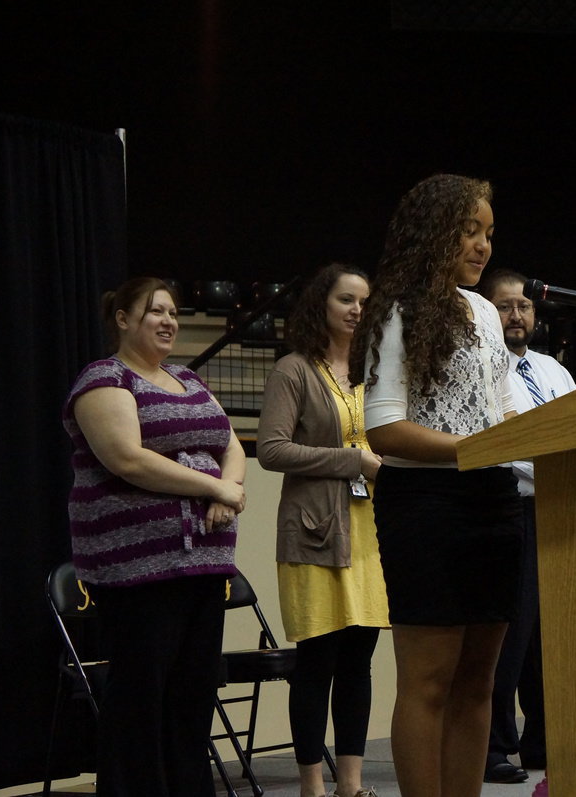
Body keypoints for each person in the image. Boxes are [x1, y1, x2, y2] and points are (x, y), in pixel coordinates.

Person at [349, 173, 522, 797]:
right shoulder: (396, 310)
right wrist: (477, 449)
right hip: (426, 505)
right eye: (469, 232)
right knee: (428, 682)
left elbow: (504, 409)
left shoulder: (481, 310)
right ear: (433, 235)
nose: (482, 247)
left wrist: (535, 440)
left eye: (489, 234)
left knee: (480, 682)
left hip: (495, 500)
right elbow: (385, 429)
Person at [62, 276, 246, 797]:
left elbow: (230, 443)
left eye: (172, 312)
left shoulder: (188, 378)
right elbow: (126, 458)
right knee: (140, 699)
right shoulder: (104, 379)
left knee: (191, 696)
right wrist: (215, 486)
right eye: (154, 312)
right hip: (137, 566)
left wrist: (227, 488)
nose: (168, 321)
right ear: (122, 319)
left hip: (204, 563)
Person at [257, 263, 389, 797]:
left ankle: (350, 786)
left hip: (370, 535)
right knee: (318, 660)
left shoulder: (373, 370)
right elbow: (272, 450)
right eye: (346, 300)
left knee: (359, 661)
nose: (357, 309)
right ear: (322, 306)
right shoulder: (294, 369)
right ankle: (312, 785)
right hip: (313, 533)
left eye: (364, 301)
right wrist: (353, 460)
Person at [478, 268, 576, 783]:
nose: (516, 315)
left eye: (524, 306)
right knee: (510, 635)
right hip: (508, 507)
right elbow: (500, 442)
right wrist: (550, 465)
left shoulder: (552, 369)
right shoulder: (478, 368)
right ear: (483, 311)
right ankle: (494, 745)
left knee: (549, 635)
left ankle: (543, 740)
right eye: (504, 306)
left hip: (558, 509)